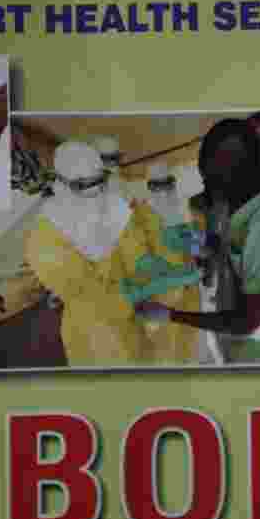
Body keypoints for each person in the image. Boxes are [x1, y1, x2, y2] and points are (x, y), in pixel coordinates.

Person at [136, 119, 260, 364]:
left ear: (234, 174)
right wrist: (201, 244)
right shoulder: (242, 205)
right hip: (236, 328)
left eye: (210, 181)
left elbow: (246, 322)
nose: (207, 190)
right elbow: (231, 249)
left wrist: (170, 315)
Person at [23, 140, 198, 367]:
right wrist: (143, 289)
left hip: (138, 323)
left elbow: (136, 251)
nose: (95, 192)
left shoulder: (114, 206)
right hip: (97, 334)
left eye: (99, 181)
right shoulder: (44, 239)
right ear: (60, 183)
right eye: (83, 186)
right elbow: (91, 299)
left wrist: (157, 268)